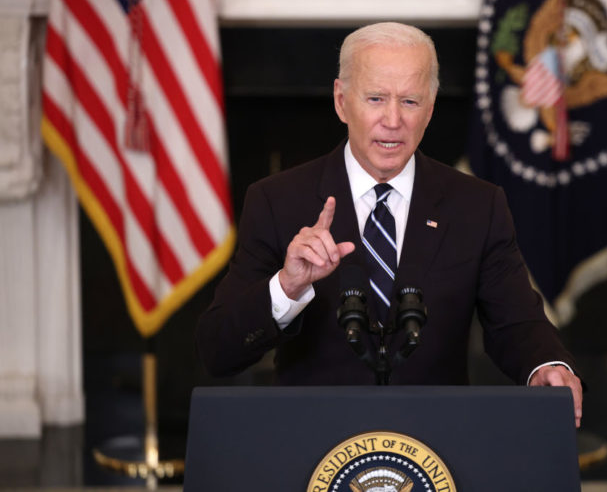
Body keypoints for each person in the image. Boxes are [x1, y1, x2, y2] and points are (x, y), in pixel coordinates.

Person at [197, 22, 583, 427]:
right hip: (314, 448)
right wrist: (287, 287)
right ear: (341, 101)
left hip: (436, 449)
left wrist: (546, 365)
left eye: (411, 101)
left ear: (431, 108)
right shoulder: (277, 201)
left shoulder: (477, 205)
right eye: (376, 98)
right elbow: (217, 351)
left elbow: (517, 322)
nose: (393, 119)